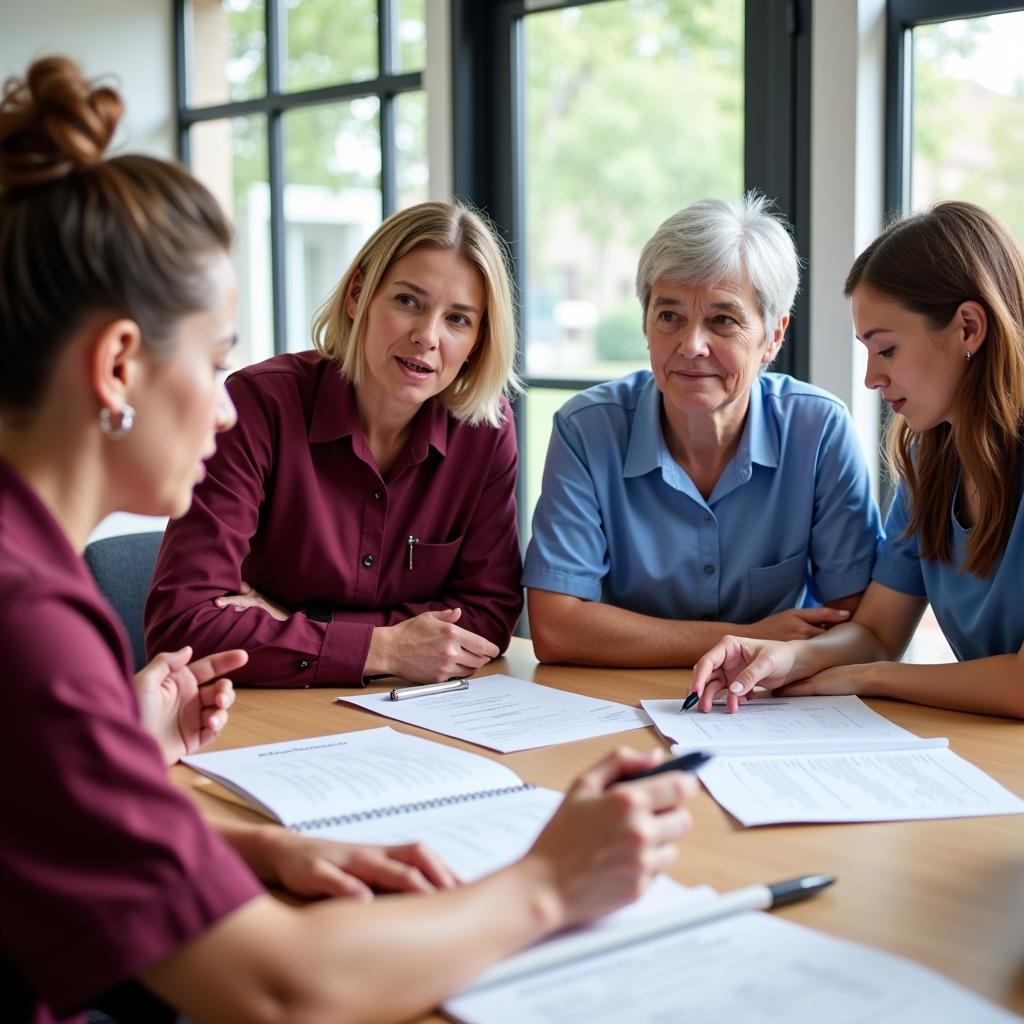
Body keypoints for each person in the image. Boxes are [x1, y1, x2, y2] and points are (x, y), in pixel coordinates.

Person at [0, 56, 696, 1024]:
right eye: (210, 359)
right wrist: (548, 883)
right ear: (120, 365)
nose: (221, 404)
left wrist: (249, 838)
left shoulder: (33, 582)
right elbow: (279, 988)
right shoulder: (31, 624)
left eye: (460, 318)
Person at [144, 199, 524, 688]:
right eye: (408, 301)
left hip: (414, 716)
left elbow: (488, 615)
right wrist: (385, 647)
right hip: (262, 721)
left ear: (479, 340)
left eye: (457, 319)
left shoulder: (484, 432)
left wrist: (296, 622)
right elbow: (182, 625)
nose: (427, 336)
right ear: (358, 295)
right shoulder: (259, 406)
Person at [690, 201, 1024, 719]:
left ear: (969, 328)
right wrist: (785, 656)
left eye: (886, 349)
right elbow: (875, 631)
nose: (871, 378)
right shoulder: (932, 459)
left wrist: (870, 677)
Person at [523, 195, 882, 668]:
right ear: (647, 325)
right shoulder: (586, 430)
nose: (691, 346)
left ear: (773, 336)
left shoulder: (818, 431)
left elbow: (852, 621)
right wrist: (746, 638)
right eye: (669, 317)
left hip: (774, 703)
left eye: (722, 320)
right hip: (617, 702)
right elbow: (556, 629)